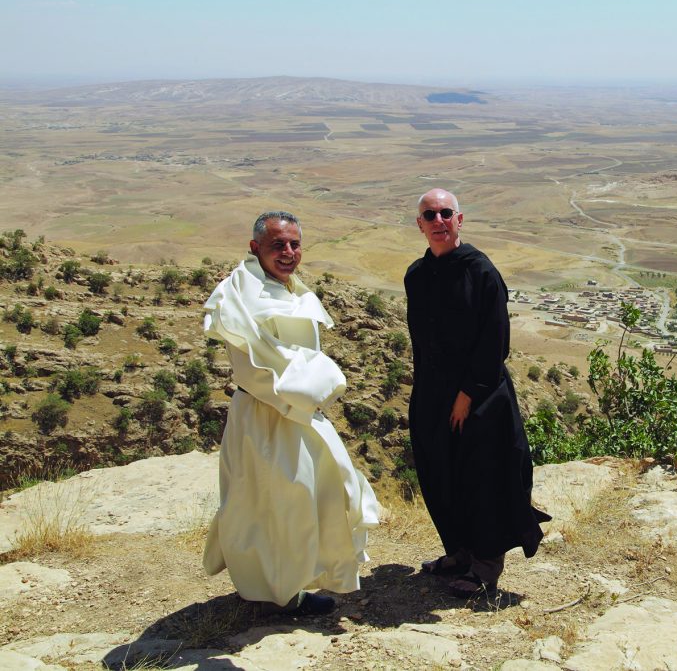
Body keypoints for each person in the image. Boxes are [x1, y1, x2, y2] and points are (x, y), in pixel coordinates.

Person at [202, 210, 379, 615]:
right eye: (277, 244)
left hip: (299, 411)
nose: (287, 252)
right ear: (255, 248)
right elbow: (253, 365)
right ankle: (271, 594)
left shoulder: (290, 288)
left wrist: (309, 392)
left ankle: (290, 586)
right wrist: (307, 389)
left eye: (294, 244)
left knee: (309, 496)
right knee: (268, 501)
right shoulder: (238, 295)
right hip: (265, 414)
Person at [404, 188, 550, 597]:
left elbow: (494, 342)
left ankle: (485, 567)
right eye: (429, 215)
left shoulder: (481, 271)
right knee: (442, 476)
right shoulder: (416, 275)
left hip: (482, 399)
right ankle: (459, 552)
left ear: (460, 219)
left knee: (481, 479)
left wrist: (467, 395)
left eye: (445, 213)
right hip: (434, 395)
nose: (438, 221)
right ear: (420, 224)